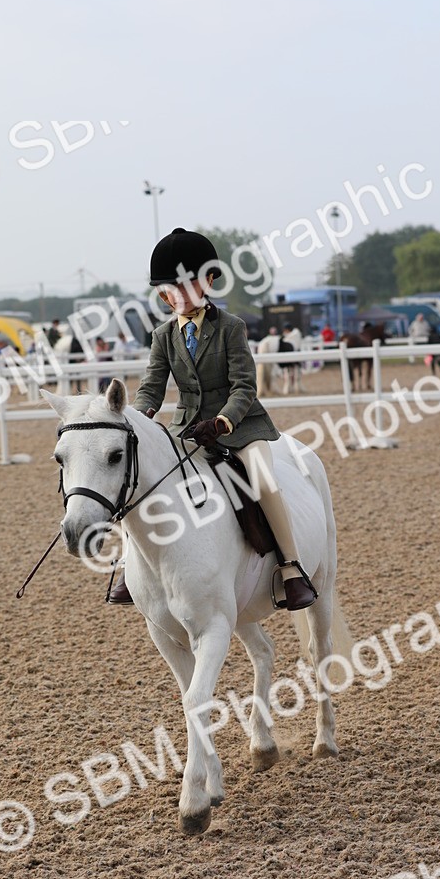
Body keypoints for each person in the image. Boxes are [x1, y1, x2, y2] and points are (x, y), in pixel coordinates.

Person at [109, 227, 317, 610]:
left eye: (187, 285)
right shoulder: (163, 336)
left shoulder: (231, 328)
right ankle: (129, 564)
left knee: (263, 480)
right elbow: (151, 387)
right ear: (162, 293)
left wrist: (222, 421)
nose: (179, 294)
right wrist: (137, 418)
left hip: (241, 427)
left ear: (208, 282)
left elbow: (245, 386)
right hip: (187, 428)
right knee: (139, 477)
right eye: (171, 288)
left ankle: (291, 567)